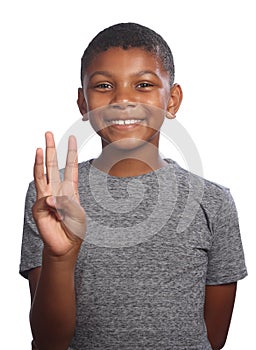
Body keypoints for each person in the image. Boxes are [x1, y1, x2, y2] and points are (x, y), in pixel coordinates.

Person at [20, 22, 247, 350]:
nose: (123, 99)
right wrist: (60, 256)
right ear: (83, 103)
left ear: (172, 100)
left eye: (143, 84)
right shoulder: (49, 197)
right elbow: (49, 341)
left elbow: (212, 338)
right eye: (103, 86)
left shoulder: (213, 201)